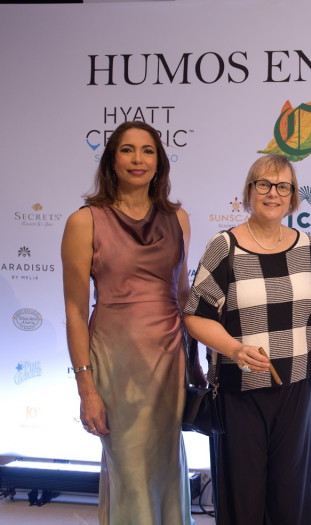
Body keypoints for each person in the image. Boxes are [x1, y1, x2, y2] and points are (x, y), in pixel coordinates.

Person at [61, 121, 194, 524]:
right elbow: (73, 310)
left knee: (167, 467)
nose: (138, 159)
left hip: (170, 361)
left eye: (148, 151)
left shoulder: (179, 219)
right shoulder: (84, 221)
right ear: (111, 160)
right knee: (130, 470)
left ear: (160, 162)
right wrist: (86, 387)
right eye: (127, 150)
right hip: (116, 364)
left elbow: (183, 293)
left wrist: (199, 362)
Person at [183, 154, 311, 525]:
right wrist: (234, 348)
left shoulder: (304, 245)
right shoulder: (224, 246)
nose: (272, 193)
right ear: (249, 192)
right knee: (242, 501)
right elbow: (194, 317)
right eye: (263, 184)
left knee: (291, 497)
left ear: (293, 196)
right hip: (240, 391)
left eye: (283, 186)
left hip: (296, 391)